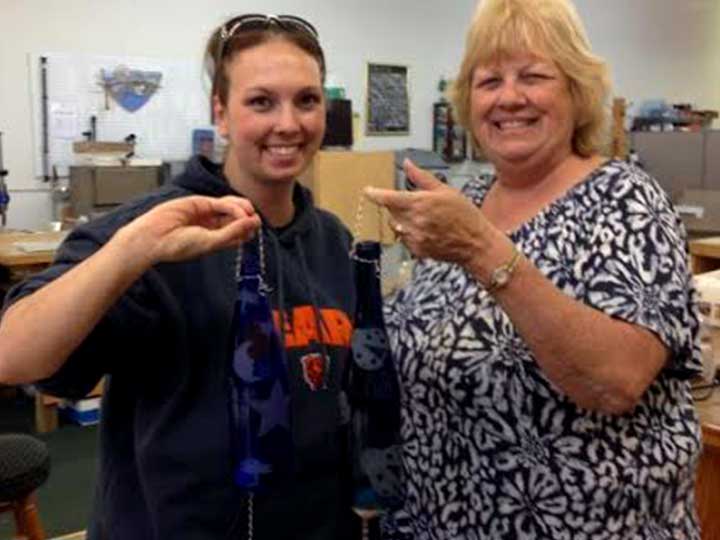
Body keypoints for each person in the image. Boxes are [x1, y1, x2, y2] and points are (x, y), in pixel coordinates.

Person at [0, 14, 359, 540]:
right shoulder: (157, 230)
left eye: (306, 100)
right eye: (261, 102)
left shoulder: (331, 240)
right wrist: (132, 252)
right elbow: (14, 353)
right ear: (221, 113)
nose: (288, 123)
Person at [366, 0, 702, 538]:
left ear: (576, 91)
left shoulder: (625, 199)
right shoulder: (468, 198)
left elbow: (615, 382)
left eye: (533, 76)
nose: (509, 97)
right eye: (489, 79)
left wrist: (484, 250)